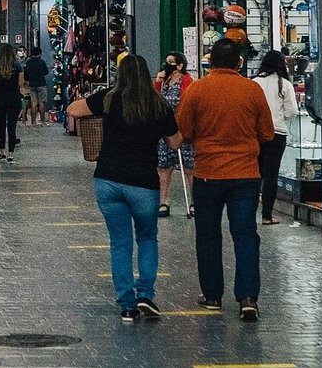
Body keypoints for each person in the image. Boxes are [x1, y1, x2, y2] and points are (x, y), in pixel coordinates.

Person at [175, 38, 275, 322]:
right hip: (245, 174)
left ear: (210, 63)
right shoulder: (252, 90)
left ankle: (212, 294)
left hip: (207, 174)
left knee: (208, 236)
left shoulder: (197, 90)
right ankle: (247, 298)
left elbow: (184, 130)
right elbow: (267, 133)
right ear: (239, 63)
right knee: (245, 235)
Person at [91, 55, 181, 322]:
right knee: (147, 238)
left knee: (120, 242)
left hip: (107, 179)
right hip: (143, 184)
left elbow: (73, 110)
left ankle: (127, 305)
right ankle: (146, 294)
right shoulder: (158, 105)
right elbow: (175, 143)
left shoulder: (108, 98)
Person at [252, 51, 297, 225]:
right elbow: (292, 111)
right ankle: (267, 216)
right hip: (277, 133)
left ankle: (249, 212)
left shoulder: (254, 82)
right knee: (271, 175)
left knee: (255, 174)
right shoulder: (284, 84)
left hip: (256, 134)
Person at [153, 51, 195, 217]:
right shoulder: (164, 82)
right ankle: (164, 201)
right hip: (165, 130)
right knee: (164, 167)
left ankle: (194, 202)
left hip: (182, 129)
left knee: (189, 167)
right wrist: (157, 83)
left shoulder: (186, 81)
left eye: (171, 62)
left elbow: (187, 101)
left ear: (180, 65)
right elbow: (155, 100)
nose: (167, 65)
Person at [0, 44, 24, 163]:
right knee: (12, 126)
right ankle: (11, 154)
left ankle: (2, 152)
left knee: (0, 125)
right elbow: (21, 83)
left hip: (0, 98)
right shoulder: (18, 66)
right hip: (14, 98)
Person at [23, 47, 51, 126]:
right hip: (41, 84)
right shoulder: (41, 62)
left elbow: (25, 76)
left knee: (33, 103)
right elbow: (46, 72)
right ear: (39, 54)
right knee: (42, 103)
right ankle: (42, 122)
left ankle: (33, 122)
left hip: (32, 85)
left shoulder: (28, 63)